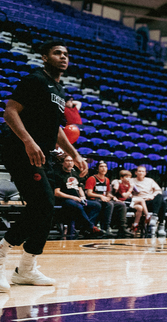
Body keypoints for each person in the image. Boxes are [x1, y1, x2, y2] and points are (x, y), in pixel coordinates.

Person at [0, 40, 89, 290]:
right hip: (20, 150)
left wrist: (75, 154)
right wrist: (28, 141)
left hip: (43, 155)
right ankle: (2, 255)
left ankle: (26, 269)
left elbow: (57, 130)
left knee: (46, 208)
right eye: (57, 53)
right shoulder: (35, 80)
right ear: (44, 57)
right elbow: (10, 112)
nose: (63, 57)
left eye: (66, 54)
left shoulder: (59, 91)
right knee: (43, 203)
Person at [85, 161, 129, 237]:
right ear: (97, 169)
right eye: (101, 166)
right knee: (109, 204)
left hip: (103, 199)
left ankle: (122, 228)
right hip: (94, 200)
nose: (104, 168)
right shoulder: (92, 178)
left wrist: (113, 197)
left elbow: (108, 193)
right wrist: (100, 196)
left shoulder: (107, 179)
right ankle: (106, 228)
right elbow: (88, 193)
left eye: (105, 166)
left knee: (121, 204)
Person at [131, 165, 167, 236]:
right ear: (136, 173)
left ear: (145, 173)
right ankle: (161, 225)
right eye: (139, 171)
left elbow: (158, 190)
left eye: (143, 171)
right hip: (140, 201)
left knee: (160, 197)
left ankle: (154, 216)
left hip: (150, 200)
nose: (141, 173)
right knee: (163, 203)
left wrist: (152, 195)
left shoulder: (150, 180)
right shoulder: (131, 180)